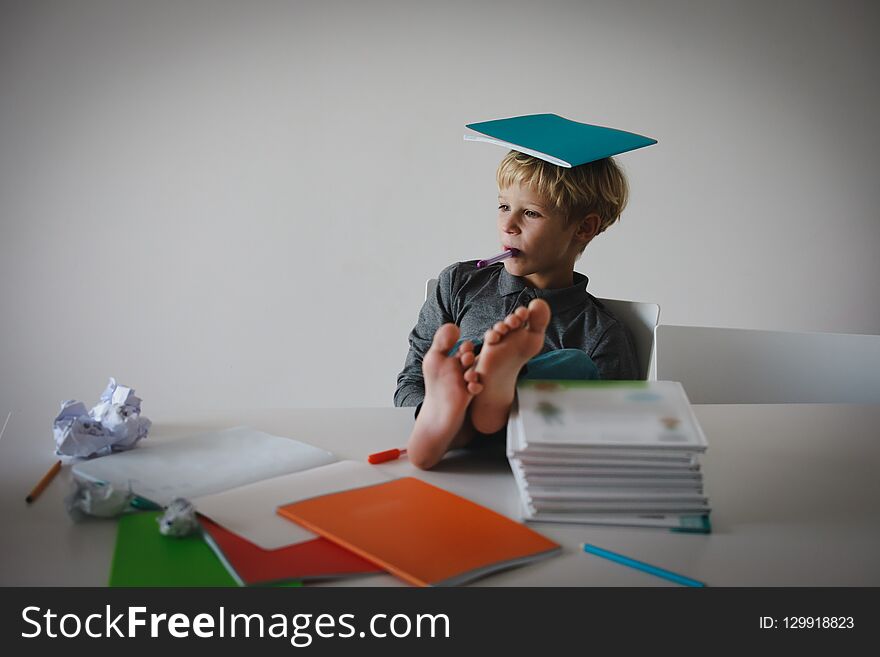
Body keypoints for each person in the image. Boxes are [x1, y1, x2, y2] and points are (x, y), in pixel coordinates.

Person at [394, 148, 639, 469]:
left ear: (584, 228)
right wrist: (427, 408)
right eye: (504, 206)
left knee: (575, 366)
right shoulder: (459, 283)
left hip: (529, 456)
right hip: (445, 442)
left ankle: (486, 403)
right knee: (460, 355)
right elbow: (410, 383)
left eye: (531, 213)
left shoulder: (600, 333)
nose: (508, 224)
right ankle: (460, 407)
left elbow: (615, 432)